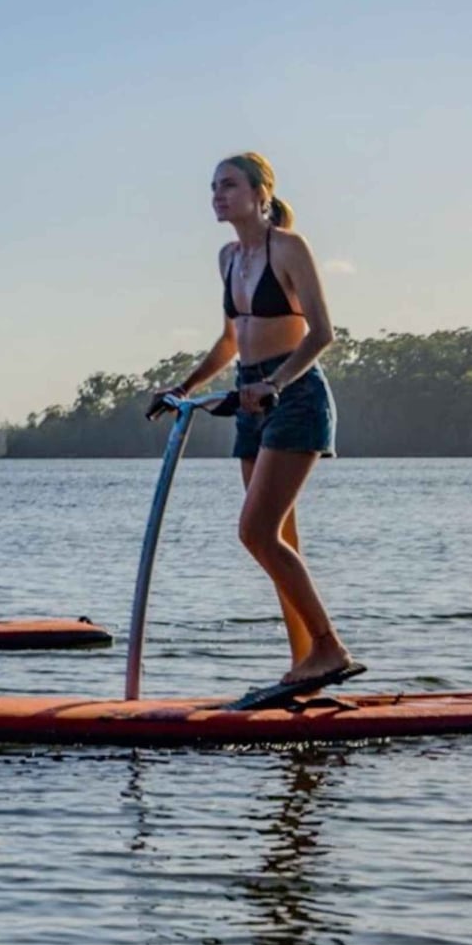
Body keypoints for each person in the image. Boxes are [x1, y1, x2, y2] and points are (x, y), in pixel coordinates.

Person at [152, 152, 358, 685]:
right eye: (213, 187)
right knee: (278, 537)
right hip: (250, 400)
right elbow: (230, 340)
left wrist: (275, 384)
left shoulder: (288, 248)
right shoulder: (227, 258)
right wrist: (184, 388)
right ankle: (306, 664)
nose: (217, 195)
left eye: (229, 185)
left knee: (256, 532)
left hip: (295, 395)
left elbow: (322, 333)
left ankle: (330, 647)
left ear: (261, 193)